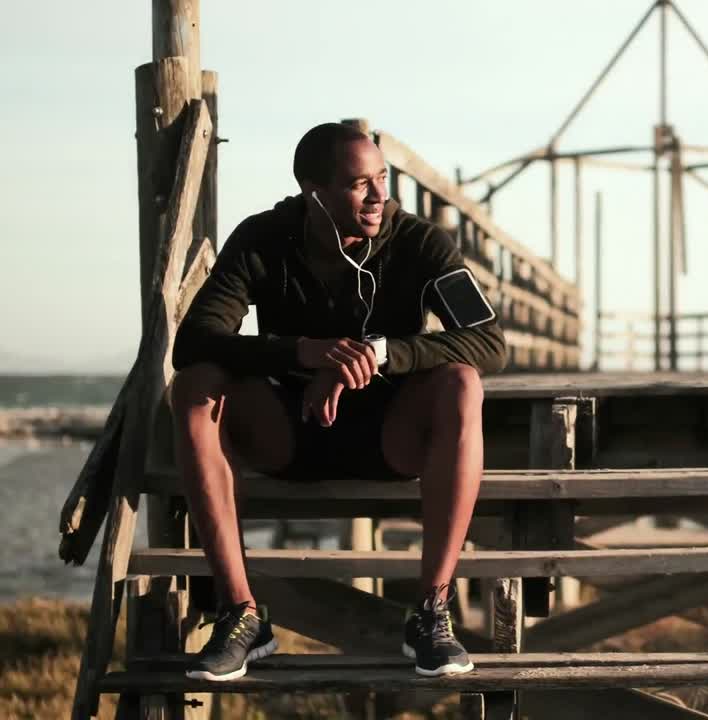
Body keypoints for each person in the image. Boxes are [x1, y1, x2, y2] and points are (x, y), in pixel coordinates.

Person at [169, 122, 506, 681]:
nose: (379, 196)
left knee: (462, 383)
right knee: (194, 385)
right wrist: (305, 353)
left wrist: (375, 354)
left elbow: (489, 342)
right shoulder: (262, 238)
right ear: (314, 193)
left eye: (382, 179)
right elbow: (195, 341)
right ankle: (242, 615)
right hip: (290, 430)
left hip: (387, 436)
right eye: (359, 185)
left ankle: (430, 613)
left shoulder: (420, 242)